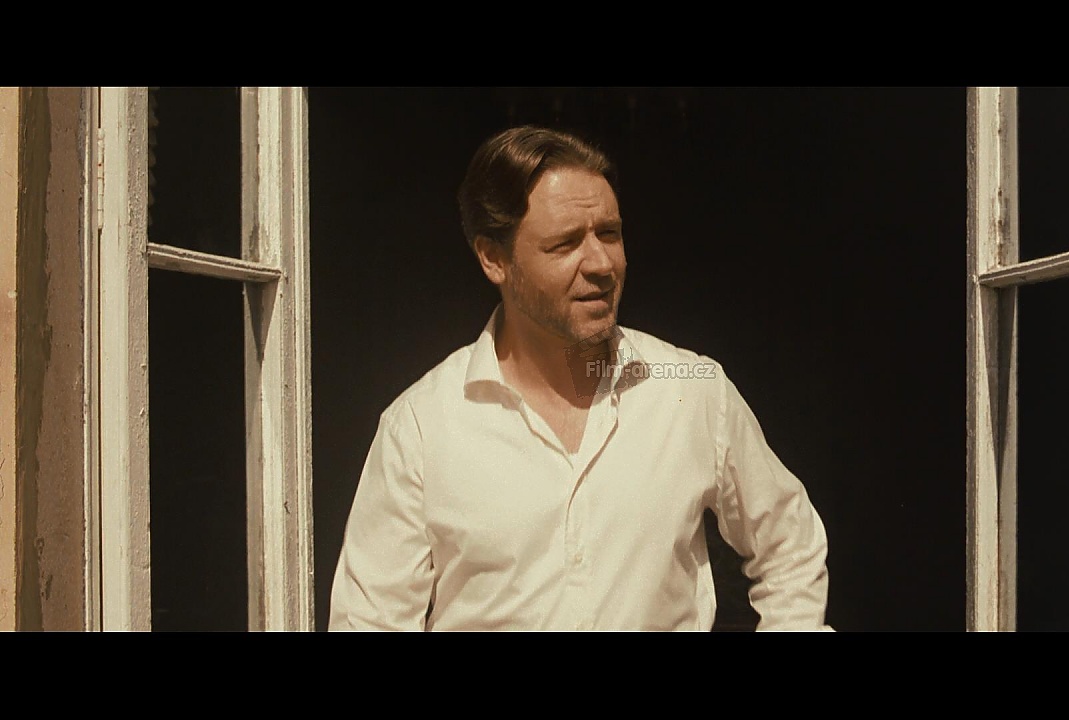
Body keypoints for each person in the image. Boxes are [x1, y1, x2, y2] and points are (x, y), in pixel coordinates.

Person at [329, 125, 831, 631]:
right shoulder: (421, 428)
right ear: (494, 259)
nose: (601, 263)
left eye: (609, 234)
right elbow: (369, 622)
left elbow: (790, 547)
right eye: (565, 243)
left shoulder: (690, 390)